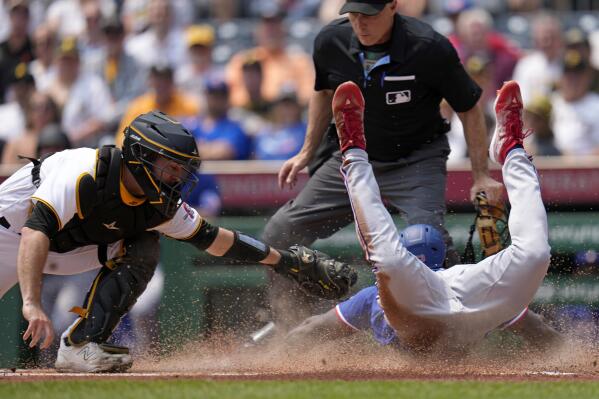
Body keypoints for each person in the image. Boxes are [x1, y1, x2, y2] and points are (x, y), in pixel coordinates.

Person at [0, 110, 356, 372]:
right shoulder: (82, 171)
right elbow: (36, 230)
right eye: (170, 167)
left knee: (144, 245)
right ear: (140, 158)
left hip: (72, 246)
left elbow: (214, 239)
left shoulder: (159, 205)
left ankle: (80, 344)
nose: (177, 177)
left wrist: (285, 262)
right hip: (12, 235)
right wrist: (31, 303)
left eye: (182, 169)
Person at [261, 0, 502, 328]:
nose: (361, 23)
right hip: (353, 156)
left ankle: (453, 336)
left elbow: (470, 107)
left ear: (392, 7)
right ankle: (292, 331)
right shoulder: (330, 41)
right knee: (279, 230)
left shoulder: (429, 46)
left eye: (369, 15)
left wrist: (480, 175)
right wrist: (306, 151)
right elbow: (322, 92)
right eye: (354, 14)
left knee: (430, 244)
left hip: (416, 158)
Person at [287, 80, 560, 355]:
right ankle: (512, 151)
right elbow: (543, 334)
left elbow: (312, 329)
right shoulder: (389, 290)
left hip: (458, 295)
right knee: (535, 254)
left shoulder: (377, 294)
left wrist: (278, 351)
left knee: (391, 261)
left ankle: (354, 152)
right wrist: (565, 355)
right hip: (468, 303)